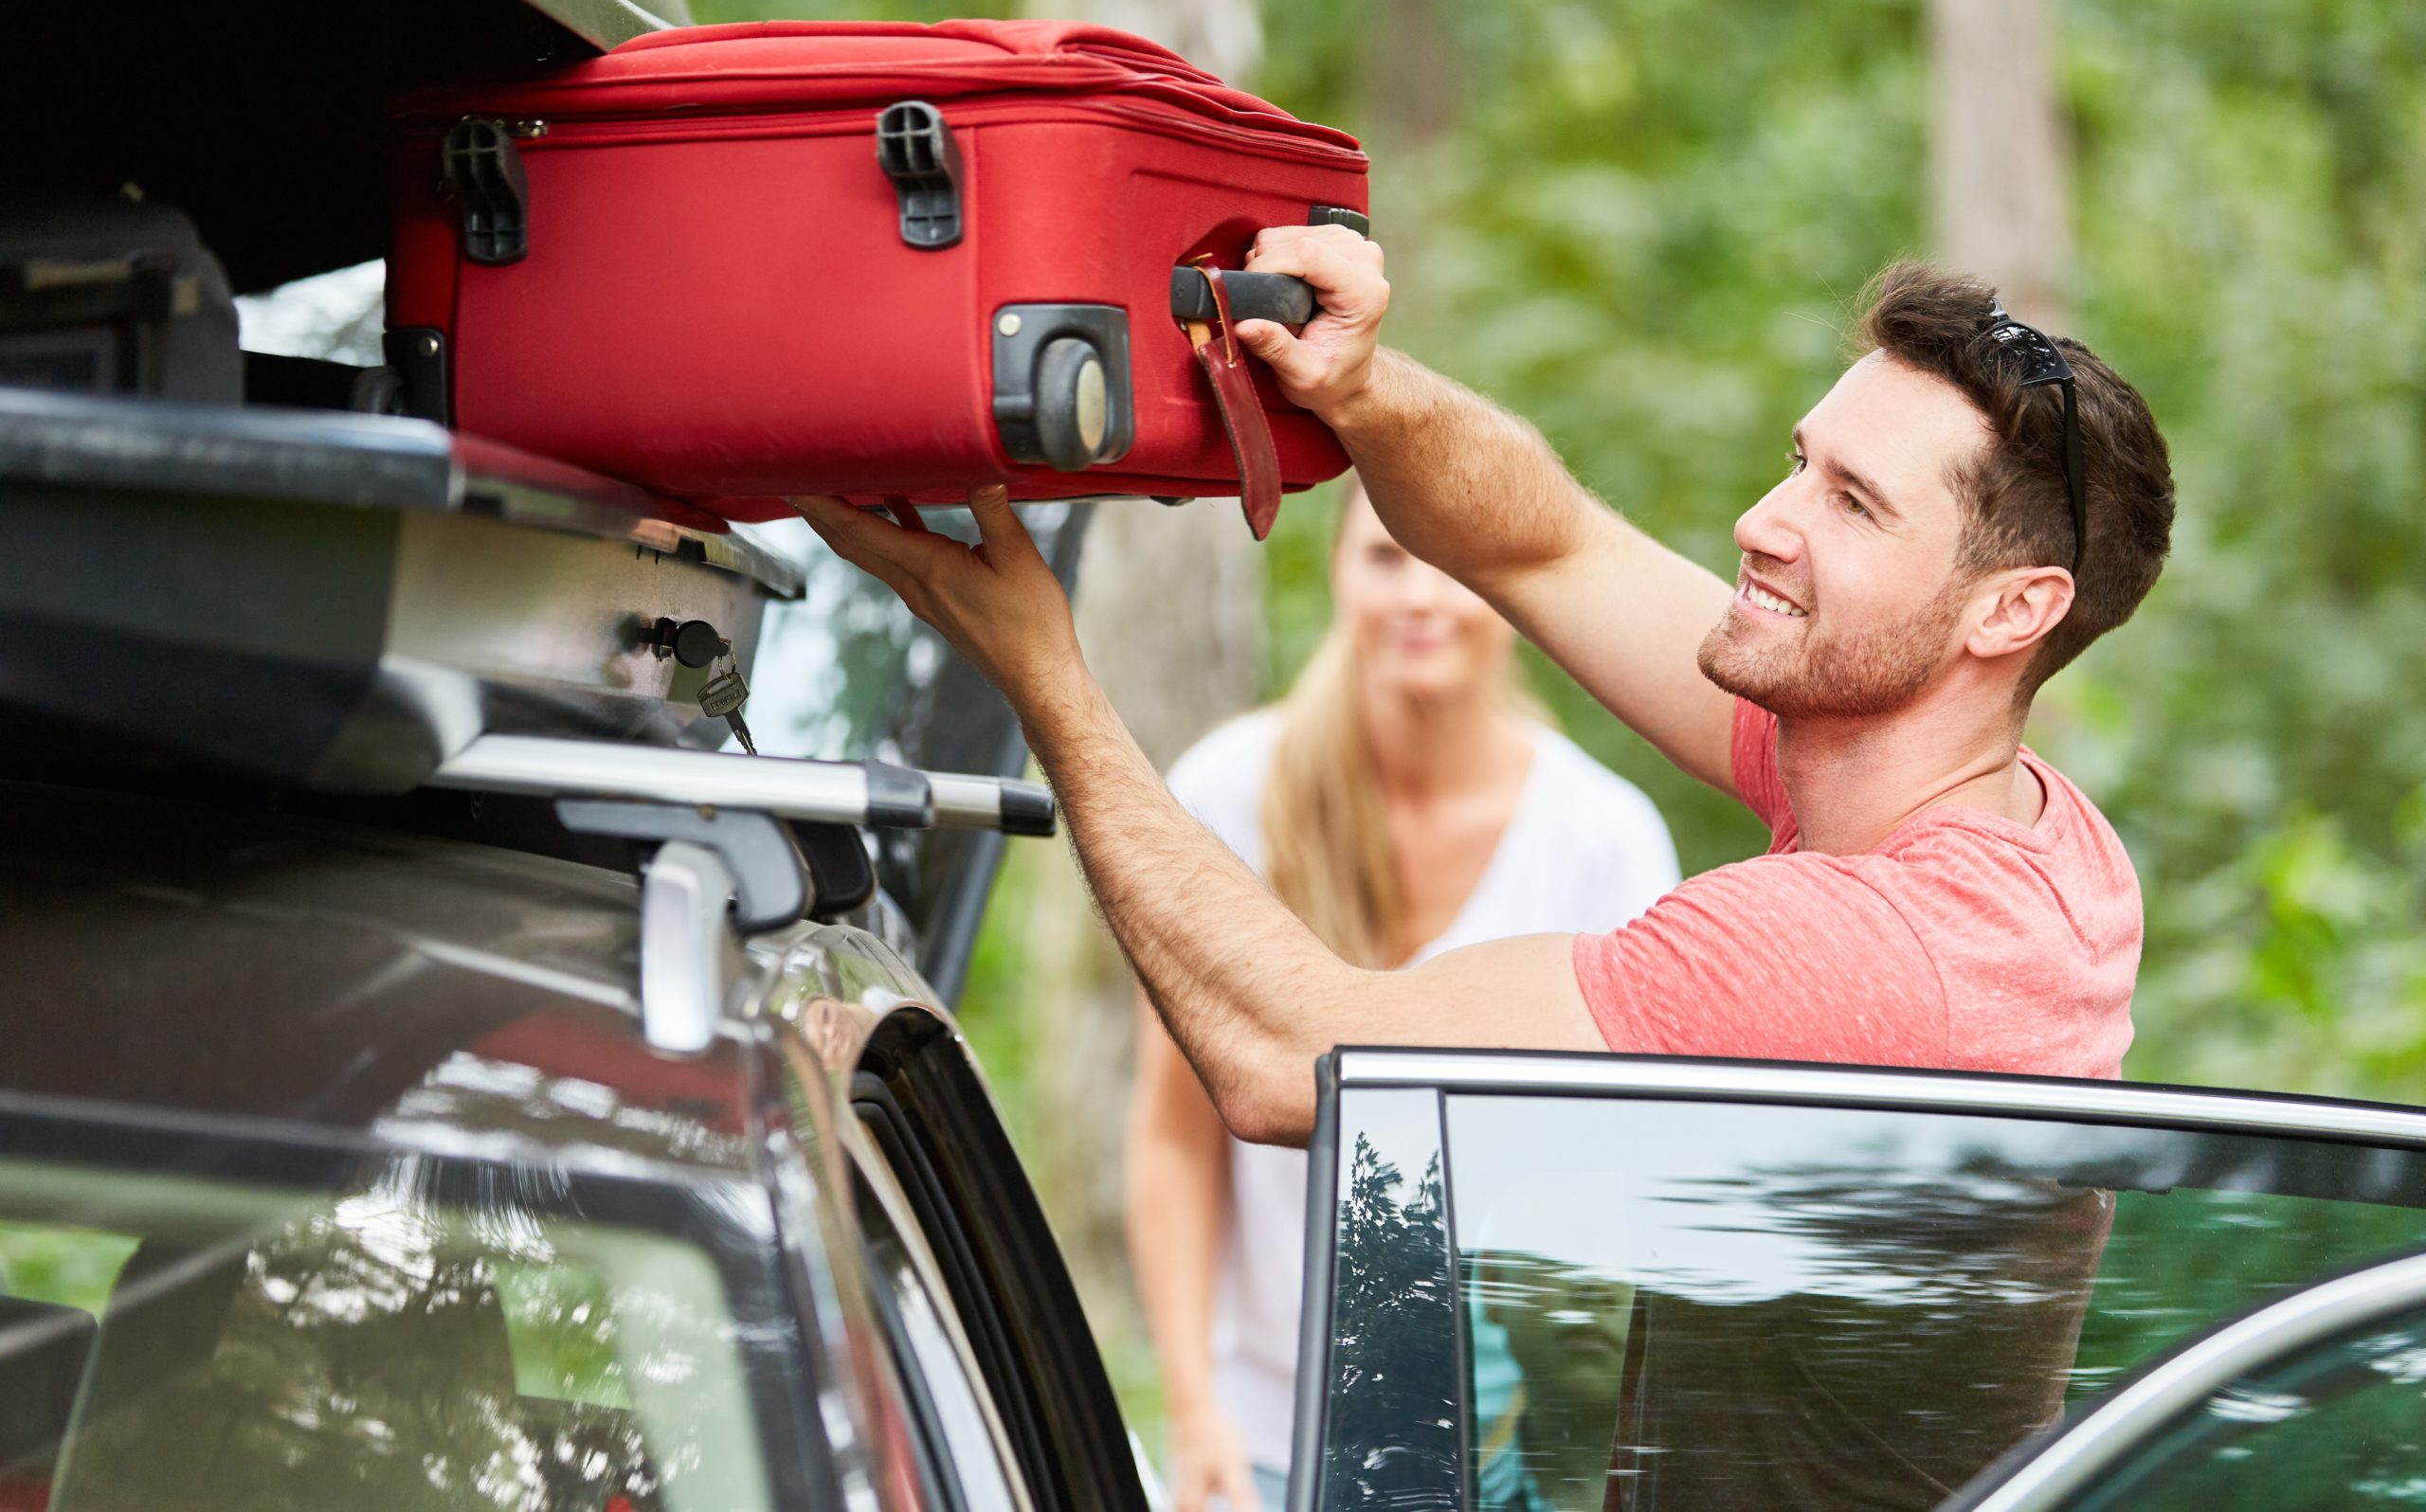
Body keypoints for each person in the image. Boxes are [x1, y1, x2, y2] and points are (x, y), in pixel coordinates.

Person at [791, 244, 2177, 1151]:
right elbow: (1545, 541)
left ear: (2014, 612)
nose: (1763, 521)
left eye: (1854, 505)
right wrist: (1365, 387)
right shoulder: (2018, 827)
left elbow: (1293, 1059)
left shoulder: (1868, 954)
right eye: (1801, 461)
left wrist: (1040, 668)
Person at [1127, 482, 1677, 1512]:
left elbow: (1622, 1192)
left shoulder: (1605, 836)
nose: (1420, 595)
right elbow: (1173, 1136)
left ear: (1512, 590)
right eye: (1385, 557)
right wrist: (1194, 1413)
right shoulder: (1226, 792)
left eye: (1455, 564)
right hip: (1262, 1430)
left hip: (1498, 1442)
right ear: (1337, 570)